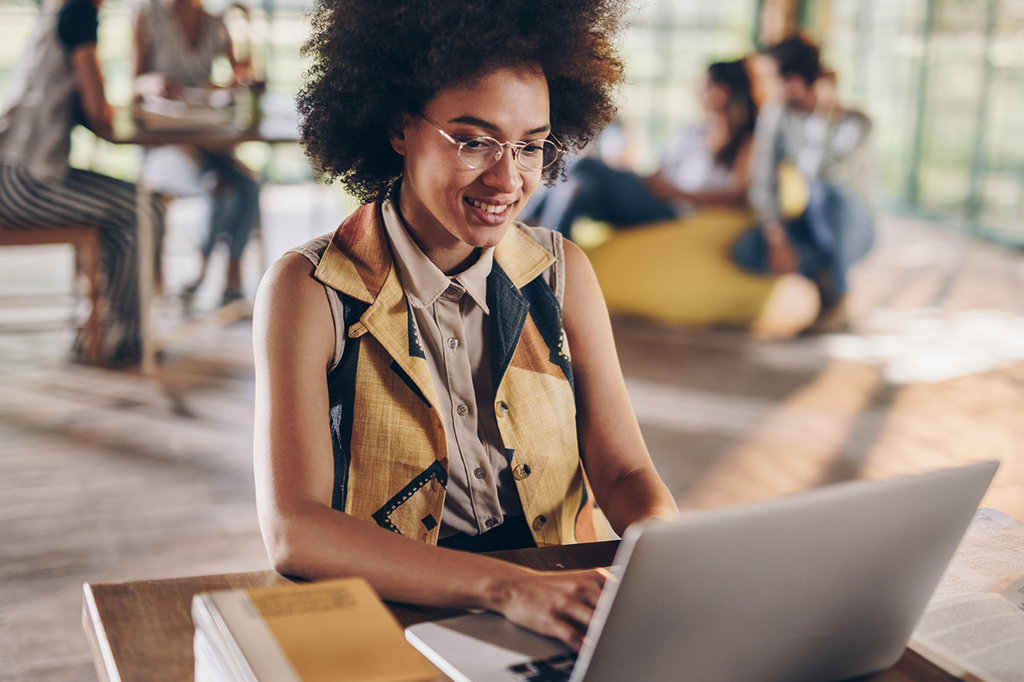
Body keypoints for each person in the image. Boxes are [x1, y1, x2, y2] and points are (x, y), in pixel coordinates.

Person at [252, 0, 679, 651]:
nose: (508, 178)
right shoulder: (310, 292)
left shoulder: (562, 275)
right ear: (400, 127)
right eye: (474, 141)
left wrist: (667, 561)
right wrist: (507, 587)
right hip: (397, 610)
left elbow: (623, 475)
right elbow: (295, 530)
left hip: (565, 607)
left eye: (531, 145)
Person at [0, 0, 162, 366]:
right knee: (142, 209)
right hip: (24, 182)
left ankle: (100, 331)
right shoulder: (80, 13)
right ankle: (118, 338)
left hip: (15, 170)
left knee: (134, 208)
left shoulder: (58, 10)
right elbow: (98, 108)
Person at [734, 36, 875, 333]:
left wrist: (822, 114)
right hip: (810, 225)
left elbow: (822, 174)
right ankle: (829, 285)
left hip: (851, 227)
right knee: (748, 251)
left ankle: (836, 295)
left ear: (795, 82)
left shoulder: (856, 123)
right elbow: (761, 179)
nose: (763, 87)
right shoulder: (776, 116)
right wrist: (776, 235)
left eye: (769, 78)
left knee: (826, 193)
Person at [529, 59, 757, 238]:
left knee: (583, 164)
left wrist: (676, 193)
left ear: (722, 93)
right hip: (652, 193)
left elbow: (737, 195)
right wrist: (639, 177)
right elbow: (660, 174)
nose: (696, 92)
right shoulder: (692, 131)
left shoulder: (746, 141)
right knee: (576, 190)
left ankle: (522, 222)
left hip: (670, 209)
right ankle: (545, 270)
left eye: (703, 86)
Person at [133, 0, 260, 305]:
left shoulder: (217, 24)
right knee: (220, 189)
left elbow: (241, 75)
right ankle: (200, 270)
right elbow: (133, 83)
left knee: (250, 185)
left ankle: (232, 274)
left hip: (208, 143)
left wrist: (238, 82)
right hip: (163, 147)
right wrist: (153, 83)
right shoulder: (146, 16)